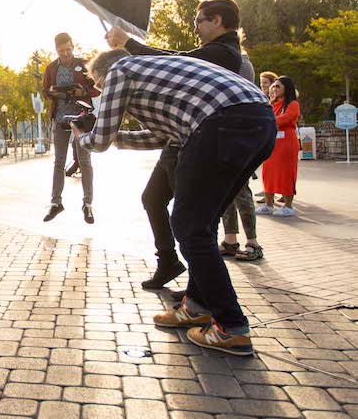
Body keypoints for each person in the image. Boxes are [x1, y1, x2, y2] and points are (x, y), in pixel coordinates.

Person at [75, 49, 275, 356]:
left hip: (220, 123)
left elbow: (98, 141)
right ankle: (197, 306)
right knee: (203, 225)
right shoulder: (157, 75)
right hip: (259, 120)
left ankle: (232, 327)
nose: (100, 92)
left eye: (98, 85)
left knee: (189, 227)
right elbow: (162, 137)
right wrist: (114, 137)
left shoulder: (121, 69)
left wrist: (82, 136)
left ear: (105, 73)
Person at [105, 0, 243, 290]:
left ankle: (201, 294)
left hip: (200, 140)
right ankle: (169, 262)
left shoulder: (226, 53)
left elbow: (174, 59)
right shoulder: (219, 51)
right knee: (154, 199)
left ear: (216, 20)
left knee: (193, 224)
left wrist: (129, 44)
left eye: (198, 22)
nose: (195, 29)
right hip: (182, 136)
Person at [42, 33, 97, 223]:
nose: (65, 53)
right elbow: (45, 90)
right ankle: (56, 203)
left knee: (85, 160)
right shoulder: (51, 68)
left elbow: (97, 87)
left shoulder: (84, 64)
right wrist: (51, 93)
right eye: (61, 50)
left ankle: (87, 204)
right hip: (60, 118)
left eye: (68, 49)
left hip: (81, 119)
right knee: (59, 161)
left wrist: (83, 91)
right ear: (56, 49)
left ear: (73, 46)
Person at [219, 47, 264, 262]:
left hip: (240, 133)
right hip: (225, 132)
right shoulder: (232, 60)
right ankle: (230, 240)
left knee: (240, 189)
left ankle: (253, 243)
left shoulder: (241, 63)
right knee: (225, 191)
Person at [256, 76, 300, 217]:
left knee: (286, 174)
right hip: (272, 143)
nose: (274, 89)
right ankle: (268, 204)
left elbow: (286, 118)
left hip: (287, 143)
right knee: (268, 173)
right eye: (273, 86)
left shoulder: (293, 104)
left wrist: (268, 120)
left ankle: (288, 205)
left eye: (278, 87)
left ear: (286, 89)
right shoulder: (270, 103)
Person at [254, 71, 279, 201]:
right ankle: (268, 190)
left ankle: (273, 192)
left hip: (276, 136)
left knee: (274, 166)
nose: (262, 85)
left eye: (265, 82)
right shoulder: (262, 96)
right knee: (266, 165)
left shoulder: (275, 98)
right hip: (266, 133)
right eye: (261, 82)